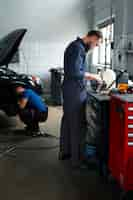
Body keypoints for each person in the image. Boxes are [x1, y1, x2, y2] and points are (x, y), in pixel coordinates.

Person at [59, 30, 103, 168]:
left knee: (67, 120)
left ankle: (65, 152)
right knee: (77, 124)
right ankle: (76, 161)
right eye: (96, 43)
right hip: (75, 91)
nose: (95, 46)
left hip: (70, 89)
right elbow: (75, 72)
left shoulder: (75, 46)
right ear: (92, 38)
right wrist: (93, 76)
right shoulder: (77, 48)